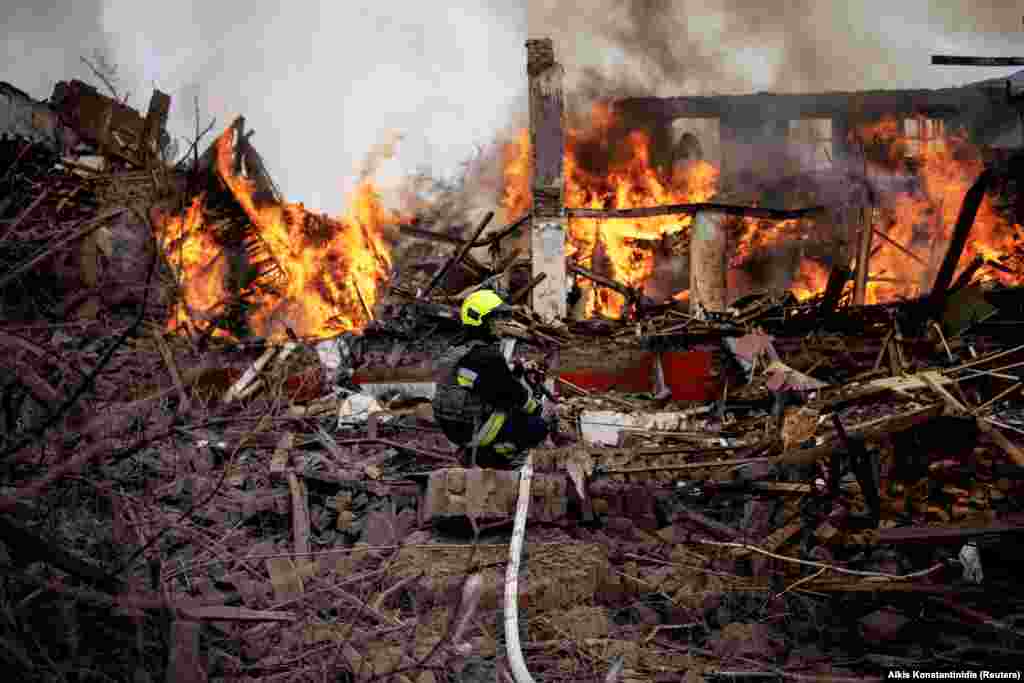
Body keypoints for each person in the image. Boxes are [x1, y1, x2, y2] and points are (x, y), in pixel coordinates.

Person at [432, 289, 550, 468]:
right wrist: (537, 407)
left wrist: (514, 368)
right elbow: (512, 396)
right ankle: (492, 457)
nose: (503, 324)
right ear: (480, 320)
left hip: (451, 425)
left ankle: (478, 451)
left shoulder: (457, 348)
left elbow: (477, 379)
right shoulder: (489, 356)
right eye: (497, 319)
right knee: (537, 427)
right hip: (472, 429)